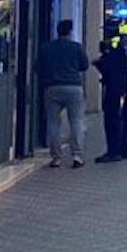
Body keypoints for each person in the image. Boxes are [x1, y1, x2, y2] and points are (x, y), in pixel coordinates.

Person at [35, 19, 89, 169]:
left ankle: (56, 157)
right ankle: (77, 156)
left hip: (52, 88)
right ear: (70, 32)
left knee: (53, 123)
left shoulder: (46, 48)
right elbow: (84, 66)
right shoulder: (76, 47)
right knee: (76, 122)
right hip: (73, 87)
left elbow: (38, 68)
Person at [94, 23, 127, 164]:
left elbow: (110, 65)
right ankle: (124, 150)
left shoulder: (112, 45)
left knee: (112, 118)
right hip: (126, 84)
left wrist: (99, 63)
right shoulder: (126, 42)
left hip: (114, 86)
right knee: (125, 117)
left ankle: (114, 151)